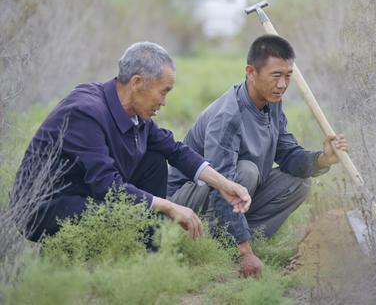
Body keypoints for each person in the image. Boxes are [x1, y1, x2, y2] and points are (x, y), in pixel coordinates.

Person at [12, 41, 251, 243]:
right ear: (137, 83)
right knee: (125, 207)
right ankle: (88, 261)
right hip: (43, 208)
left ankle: (149, 248)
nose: (164, 101)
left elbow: (176, 151)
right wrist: (168, 206)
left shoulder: (136, 113)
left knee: (155, 159)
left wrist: (223, 184)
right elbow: (107, 186)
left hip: (83, 192)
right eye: (163, 91)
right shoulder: (85, 111)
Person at [167, 35, 349, 277]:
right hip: (187, 200)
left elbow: (288, 154)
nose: (283, 84)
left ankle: (232, 239)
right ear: (251, 72)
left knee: (299, 182)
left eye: (288, 76)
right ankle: (220, 242)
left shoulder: (272, 102)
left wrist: (322, 159)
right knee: (246, 171)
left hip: (237, 193)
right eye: (276, 76)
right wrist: (245, 253)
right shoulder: (227, 117)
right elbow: (223, 188)